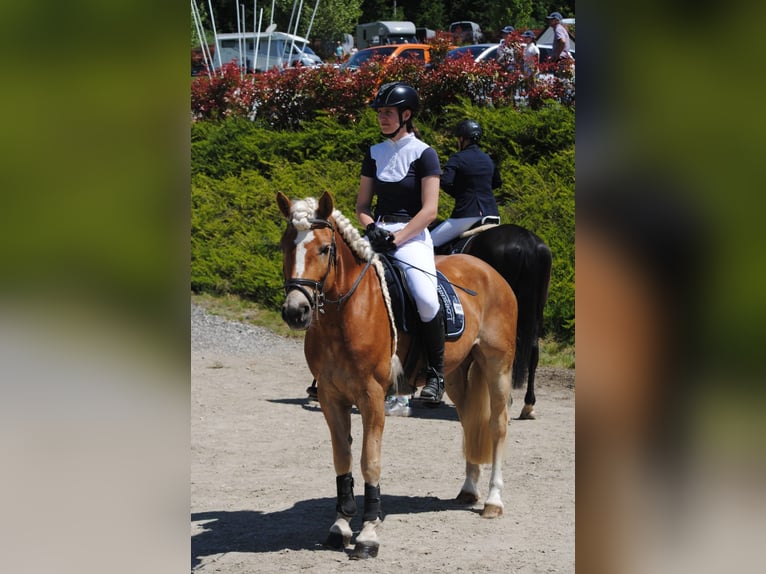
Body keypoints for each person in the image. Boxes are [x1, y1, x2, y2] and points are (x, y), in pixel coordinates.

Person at [357, 82, 446, 405]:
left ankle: (436, 374)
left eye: (388, 113)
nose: (382, 118)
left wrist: (397, 237)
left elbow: (430, 210)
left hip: (412, 236)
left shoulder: (424, 153)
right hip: (378, 232)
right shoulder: (374, 153)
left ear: (406, 115)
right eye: (380, 113)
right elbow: (362, 207)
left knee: (425, 297)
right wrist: (370, 229)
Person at [430, 120, 501, 248]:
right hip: (492, 214)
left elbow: (445, 182)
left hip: (466, 216)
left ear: (462, 139)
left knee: (427, 243)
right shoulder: (488, 159)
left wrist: (460, 193)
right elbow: (497, 182)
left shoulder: (457, 158)